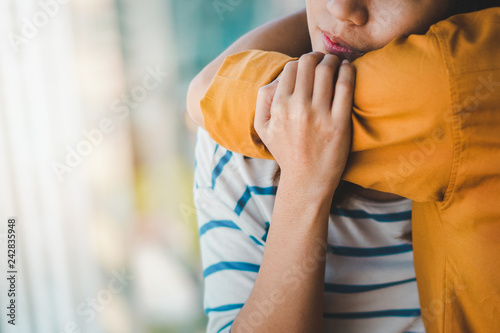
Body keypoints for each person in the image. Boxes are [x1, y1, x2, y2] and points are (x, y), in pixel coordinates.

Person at [188, 1, 500, 332]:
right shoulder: (239, 161)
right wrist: (304, 189)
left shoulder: (471, 94)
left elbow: (206, 94)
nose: (341, 7)